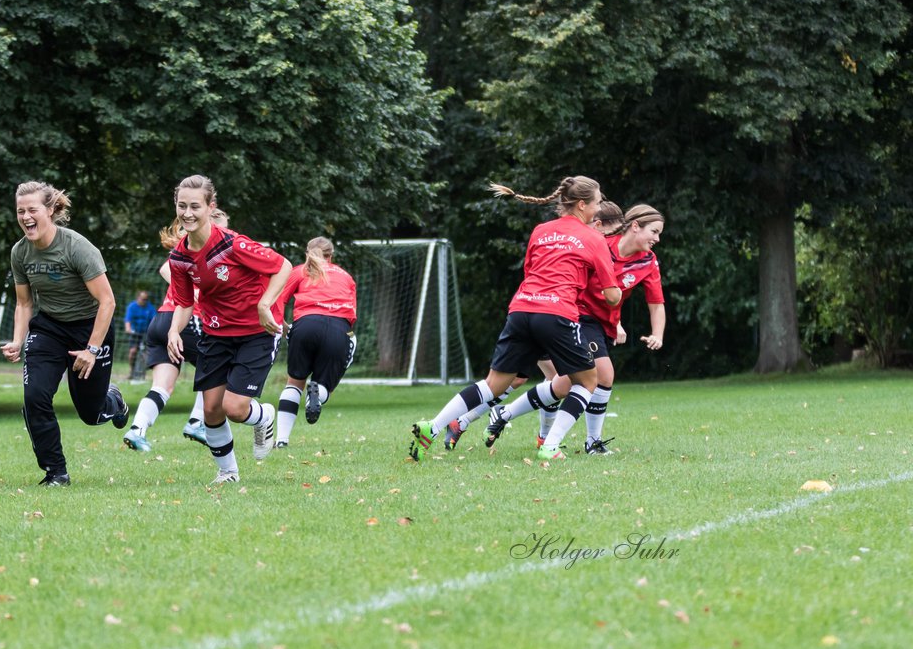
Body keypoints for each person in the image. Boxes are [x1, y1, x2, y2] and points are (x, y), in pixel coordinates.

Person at [409, 176, 620, 462]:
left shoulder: (541, 231)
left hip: (521, 309)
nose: (598, 209)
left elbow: (531, 271)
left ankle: (432, 428)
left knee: (492, 384)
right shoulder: (594, 238)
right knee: (587, 381)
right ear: (582, 205)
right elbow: (610, 296)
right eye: (596, 203)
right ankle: (550, 445)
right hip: (557, 313)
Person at [481, 204, 665, 455]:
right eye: (654, 232)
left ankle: (505, 413)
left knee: (564, 385)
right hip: (577, 316)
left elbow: (656, 304)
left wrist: (657, 334)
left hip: (603, 325)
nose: (657, 238)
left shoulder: (648, 261)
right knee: (604, 374)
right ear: (635, 227)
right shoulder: (599, 243)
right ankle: (589, 443)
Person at [1, 181, 129, 487]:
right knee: (34, 397)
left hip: (90, 329)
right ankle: (55, 472)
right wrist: (18, 340)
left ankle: (113, 400)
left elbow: (107, 301)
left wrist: (92, 349)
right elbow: (23, 302)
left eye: (32, 209)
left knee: (90, 414)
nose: (26, 217)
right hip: (50, 328)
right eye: (21, 211)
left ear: (49, 210)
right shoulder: (20, 252)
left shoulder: (77, 247)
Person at [166, 175, 291, 484]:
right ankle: (228, 473)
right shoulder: (179, 257)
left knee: (234, 407)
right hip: (215, 333)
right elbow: (183, 302)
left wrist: (265, 305)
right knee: (210, 410)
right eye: (182, 206)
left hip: (255, 332)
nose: (188, 213)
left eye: (195, 206)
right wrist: (173, 331)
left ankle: (265, 416)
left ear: (211, 207)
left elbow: (283, 266)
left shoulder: (232, 244)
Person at [122, 210, 231, 453]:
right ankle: (196, 422)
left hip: (161, 320)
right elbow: (165, 269)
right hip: (183, 321)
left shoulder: (193, 251)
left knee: (162, 386)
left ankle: (137, 430)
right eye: (222, 229)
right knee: (219, 367)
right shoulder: (203, 252)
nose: (225, 235)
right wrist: (193, 295)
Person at [273, 237, 358, 448]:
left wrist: (283, 326)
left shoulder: (300, 271)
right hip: (338, 330)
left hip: (305, 325)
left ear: (307, 254)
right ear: (331, 256)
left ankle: (281, 440)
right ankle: (318, 392)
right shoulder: (346, 277)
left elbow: (277, 301)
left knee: (294, 382)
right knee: (325, 387)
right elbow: (351, 317)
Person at [123, 290, 155, 380]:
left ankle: (143, 372)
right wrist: (128, 328)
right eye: (143, 299)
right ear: (138, 298)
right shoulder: (132, 307)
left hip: (146, 333)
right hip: (135, 333)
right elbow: (127, 320)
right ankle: (132, 371)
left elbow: (154, 320)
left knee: (147, 354)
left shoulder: (150, 308)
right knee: (132, 352)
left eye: (146, 299)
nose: (145, 301)